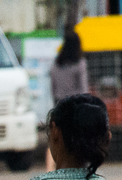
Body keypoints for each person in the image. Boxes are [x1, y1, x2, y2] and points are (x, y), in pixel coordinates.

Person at [46, 32, 89, 171]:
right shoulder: (80, 63)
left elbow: (53, 88)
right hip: (75, 106)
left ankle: (50, 170)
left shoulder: (56, 64)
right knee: (78, 139)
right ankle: (80, 169)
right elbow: (83, 88)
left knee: (56, 139)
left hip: (59, 105)